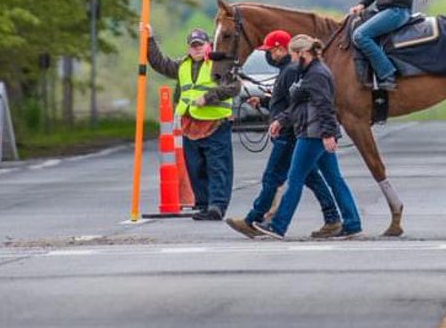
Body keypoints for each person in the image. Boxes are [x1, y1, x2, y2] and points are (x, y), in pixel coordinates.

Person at [225, 30, 344, 239]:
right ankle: (332, 217)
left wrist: (280, 120)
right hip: (295, 130)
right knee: (310, 177)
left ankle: (254, 219)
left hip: (289, 133)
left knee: (272, 177)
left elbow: (297, 102)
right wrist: (263, 102)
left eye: (270, 51)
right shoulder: (291, 70)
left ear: (281, 49)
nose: (268, 56)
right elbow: (289, 98)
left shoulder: (291, 70)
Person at [252, 35, 362, 240]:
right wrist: (280, 121)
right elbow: (297, 105)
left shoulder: (317, 74)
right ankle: (352, 222)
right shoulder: (309, 72)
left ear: (303, 53)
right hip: (313, 132)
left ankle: (278, 226)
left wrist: (329, 134)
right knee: (335, 180)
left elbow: (325, 106)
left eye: (293, 55)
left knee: (294, 180)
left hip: (313, 134)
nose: (292, 59)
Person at [142, 23, 237, 221]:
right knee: (195, 167)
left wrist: (209, 97)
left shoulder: (219, 65)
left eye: (200, 45)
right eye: (193, 45)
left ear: (208, 45)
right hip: (190, 125)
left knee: (218, 166)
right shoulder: (182, 66)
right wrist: (149, 39)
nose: (196, 48)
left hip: (215, 123)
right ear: (188, 48)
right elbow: (160, 63)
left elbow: (234, 87)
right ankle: (203, 204)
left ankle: (217, 205)